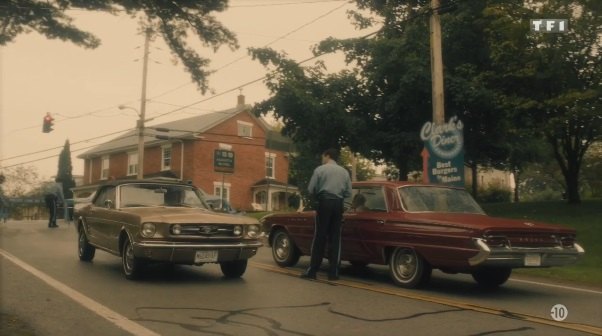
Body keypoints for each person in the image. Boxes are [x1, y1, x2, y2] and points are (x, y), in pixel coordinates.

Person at [302, 148, 352, 281]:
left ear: (327, 156)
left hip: (324, 203)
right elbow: (348, 192)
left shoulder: (320, 170)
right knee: (335, 238)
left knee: (320, 236)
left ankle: (312, 270)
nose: (322, 159)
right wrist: (344, 206)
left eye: (322, 157)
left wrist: (318, 197)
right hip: (338, 204)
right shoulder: (344, 172)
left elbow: (311, 189)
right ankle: (333, 272)